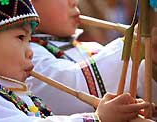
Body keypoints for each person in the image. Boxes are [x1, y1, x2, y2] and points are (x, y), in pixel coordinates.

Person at [0, 0, 151, 122]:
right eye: (21, 38)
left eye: (30, 40)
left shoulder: (7, 93)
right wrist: (96, 118)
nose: (30, 51)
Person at [27, 0, 157, 116]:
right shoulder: (27, 54)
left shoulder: (91, 48)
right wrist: (136, 42)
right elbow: (71, 88)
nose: (74, 2)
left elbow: (138, 85)